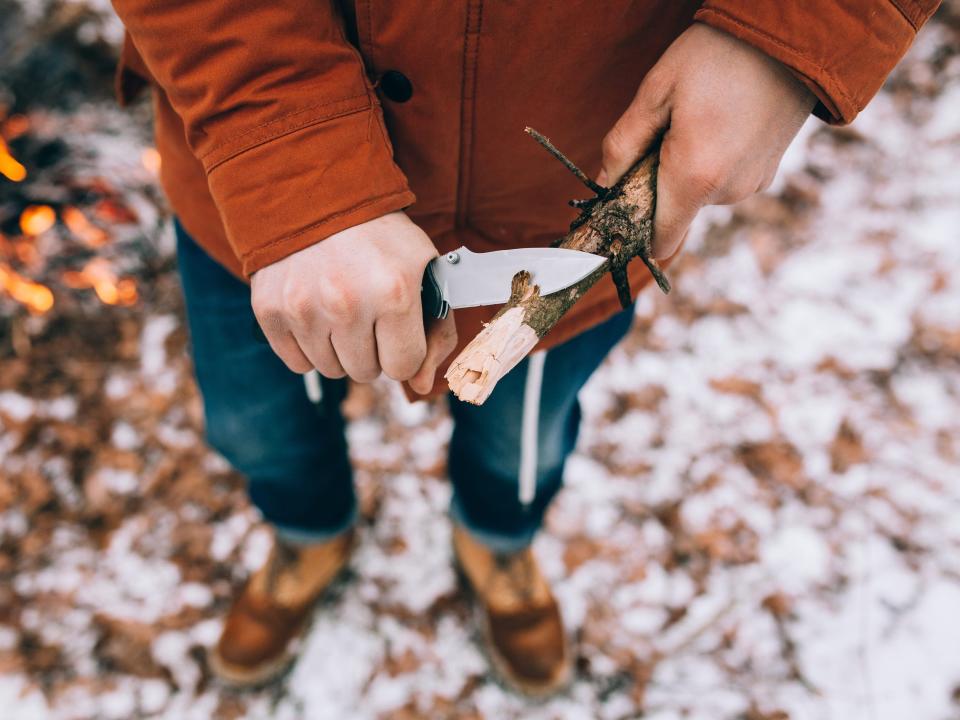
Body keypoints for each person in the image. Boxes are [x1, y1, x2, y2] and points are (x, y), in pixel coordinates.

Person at [111, 0, 938, 694]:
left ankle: (497, 546)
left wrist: (795, 34)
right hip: (258, 202)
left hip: (568, 209)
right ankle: (308, 533)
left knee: (524, 443)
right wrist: (295, 164)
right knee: (261, 422)